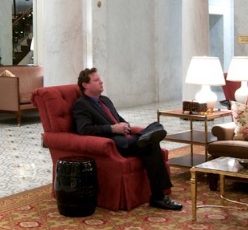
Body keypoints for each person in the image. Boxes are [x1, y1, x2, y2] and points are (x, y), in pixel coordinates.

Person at [71, 67, 180, 211]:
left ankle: (157, 195)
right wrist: (112, 129)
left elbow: (119, 119)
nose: (101, 82)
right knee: (151, 143)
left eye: (100, 79)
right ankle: (158, 197)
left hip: (127, 138)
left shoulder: (105, 100)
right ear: (85, 85)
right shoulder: (81, 104)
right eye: (96, 80)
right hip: (116, 144)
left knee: (155, 132)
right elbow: (84, 129)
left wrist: (125, 126)